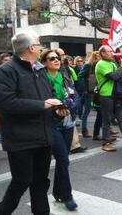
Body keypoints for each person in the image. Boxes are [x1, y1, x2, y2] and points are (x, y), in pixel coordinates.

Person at [0, 32, 68, 215]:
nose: (41, 47)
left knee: (41, 182)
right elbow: (6, 103)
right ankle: (3, 210)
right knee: (22, 180)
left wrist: (56, 109)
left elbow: (49, 95)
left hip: (43, 136)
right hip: (20, 139)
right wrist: (43, 104)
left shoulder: (40, 70)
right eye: (39, 44)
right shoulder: (5, 71)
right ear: (31, 48)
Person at [41, 49, 79, 210]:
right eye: (52, 59)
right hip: (52, 124)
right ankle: (67, 195)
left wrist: (65, 105)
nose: (56, 60)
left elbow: (75, 97)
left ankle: (57, 191)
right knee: (63, 160)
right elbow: (41, 101)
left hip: (68, 123)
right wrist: (56, 107)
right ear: (44, 63)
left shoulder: (65, 78)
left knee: (63, 161)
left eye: (58, 58)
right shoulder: (42, 81)